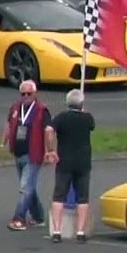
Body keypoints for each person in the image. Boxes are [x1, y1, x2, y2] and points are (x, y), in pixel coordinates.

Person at [44, 89, 96, 244]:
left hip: (64, 161)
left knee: (59, 196)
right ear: (81, 103)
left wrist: (51, 150)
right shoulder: (87, 118)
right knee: (83, 198)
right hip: (83, 162)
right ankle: (80, 232)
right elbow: (92, 126)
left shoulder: (61, 118)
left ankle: (57, 231)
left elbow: (48, 130)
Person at [0, 80, 51, 231]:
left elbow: (48, 130)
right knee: (30, 187)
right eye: (23, 94)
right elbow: (9, 125)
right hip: (18, 153)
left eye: (29, 93)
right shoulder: (15, 107)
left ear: (35, 94)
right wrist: (3, 143)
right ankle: (38, 216)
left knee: (25, 187)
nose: (26, 96)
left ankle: (19, 218)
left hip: (33, 154)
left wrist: (49, 151)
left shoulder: (42, 110)